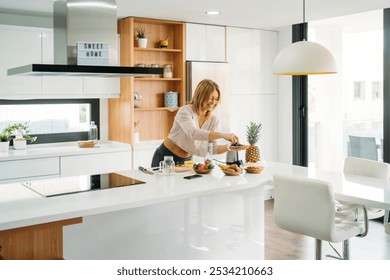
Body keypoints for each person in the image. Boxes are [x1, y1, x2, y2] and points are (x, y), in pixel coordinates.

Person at [151, 79, 239, 167]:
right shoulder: (185, 111)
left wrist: (230, 147)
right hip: (167, 157)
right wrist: (223, 135)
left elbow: (212, 148)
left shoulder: (213, 120)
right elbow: (193, 133)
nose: (214, 102)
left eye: (216, 99)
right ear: (201, 96)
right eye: (211, 98)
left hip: (187, 161)